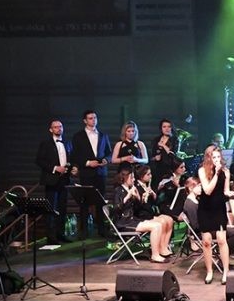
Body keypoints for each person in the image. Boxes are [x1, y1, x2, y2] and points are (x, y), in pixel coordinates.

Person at [69, 109, 113, 238]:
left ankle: (101, 229)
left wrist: (106, 160)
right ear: (85, 121)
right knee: (84, 202)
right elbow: (74, 155)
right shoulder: (78, 136)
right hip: (86, 172)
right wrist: (88, 163)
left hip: (100, 172)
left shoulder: (103, 135)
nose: (93, 120)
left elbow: (109, 153)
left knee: (101, 201)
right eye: (90, 118)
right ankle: (84, 230)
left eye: (95, 118)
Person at [112, 168, 167, 262]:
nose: (134, 179)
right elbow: (116, 209)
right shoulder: (119, 190)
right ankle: (155, 255)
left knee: (159, 224)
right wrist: (127, 196)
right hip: (123, 222)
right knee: (156, 226)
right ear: (125, 178)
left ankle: (158, 250)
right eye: (131, 178)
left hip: (132, 219)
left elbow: (137, 208)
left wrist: (138, 198)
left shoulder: (130, 189)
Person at [196, 144, 234, 284]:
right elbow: (207, 190)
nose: (217, 159)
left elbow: (225, 190)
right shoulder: (202, 171)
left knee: (221, 240)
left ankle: (226, 271)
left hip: (219, 208)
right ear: (208, 158)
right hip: (205, 208)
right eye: (214, 157)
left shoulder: (226, 172)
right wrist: (216, 174)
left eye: (218, 156)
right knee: (206, 241)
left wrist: (229, 193)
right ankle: (209, 271)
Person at [35, 118, 71, 243]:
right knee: (51, 208)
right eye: (56, 127)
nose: (58, 129)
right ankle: (51, 237)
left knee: (63, 208)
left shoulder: (67, 142)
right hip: (51, 180)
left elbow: (70, 158)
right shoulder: (45, 143)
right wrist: (55, 168)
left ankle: (61, 234)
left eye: (60, 126)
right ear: (51, 130)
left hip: (65, 180)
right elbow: (39, 160)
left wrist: (73, 168)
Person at [150, 119, 181, 188]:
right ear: (161, 128)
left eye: (169, 126)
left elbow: (173, 155)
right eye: (164, 127)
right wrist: (155, 158)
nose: (166, 129)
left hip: (169, 169)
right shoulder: (156, 140)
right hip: (156, 169)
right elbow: (151, 157)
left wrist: (163, 145)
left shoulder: (175, 140)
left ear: (172, 128)